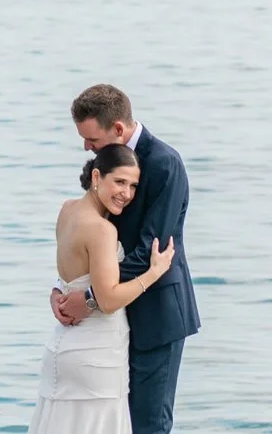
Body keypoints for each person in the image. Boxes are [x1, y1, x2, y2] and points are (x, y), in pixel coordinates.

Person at [47, 85, 201, 434]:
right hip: (113, 318)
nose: (86, 148)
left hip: (155, 314)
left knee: (148, 424)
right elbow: (89, 237)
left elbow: (152, 251)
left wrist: (90, 299)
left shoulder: (164, 163)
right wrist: (62, 287)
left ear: (117, 129)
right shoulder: (107, 165)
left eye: (92, 139)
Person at [30, 142, 175, 434]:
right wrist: (153, 273)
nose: (127, 193)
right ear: (96, 177)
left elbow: (69, 272)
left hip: (62, 348)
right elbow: (108, 299)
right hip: (97, 354)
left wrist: (56, 292)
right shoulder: (102, 230)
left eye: (133, 186)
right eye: (119, 182)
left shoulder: (67, 211)